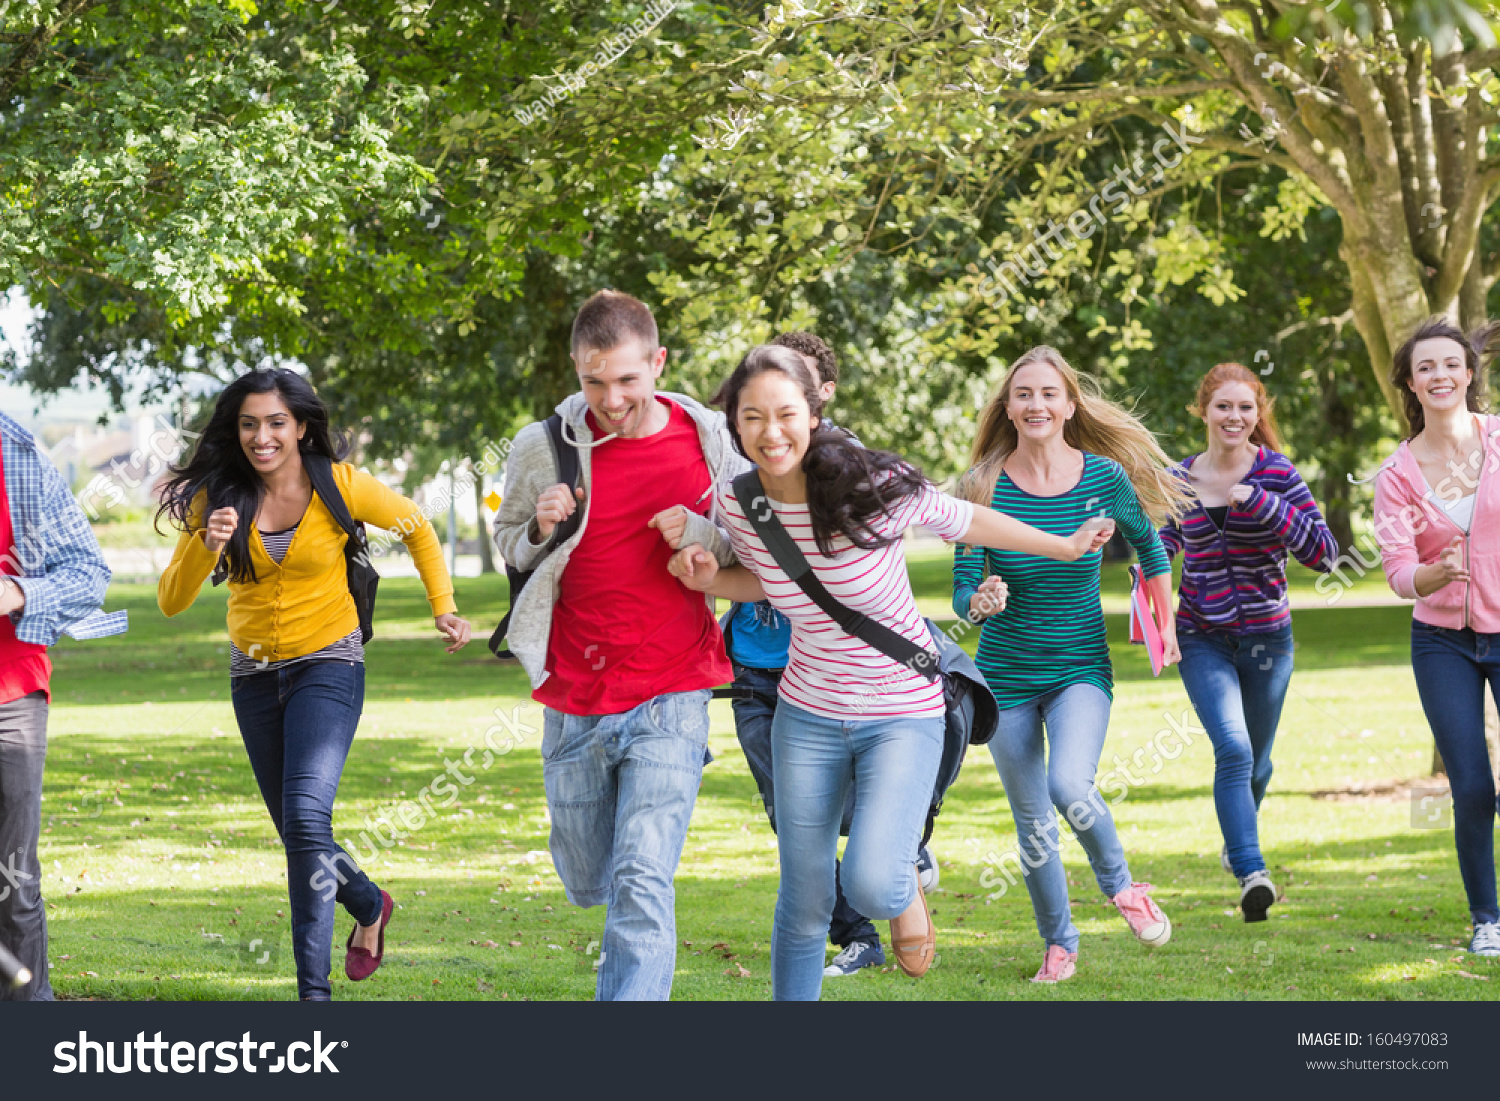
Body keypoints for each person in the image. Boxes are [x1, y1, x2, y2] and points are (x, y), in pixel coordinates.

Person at [669, 344, 1112, 1001]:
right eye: (752, 416)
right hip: (806, 715)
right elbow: (771, 582)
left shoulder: (872, 485)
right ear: (733, 421)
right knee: (805, 891)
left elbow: (968, 518)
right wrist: (712, 576)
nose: (770, 432)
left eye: (785, 413)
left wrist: (1066, 544)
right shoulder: (741, 505)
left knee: (871, 883)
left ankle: (901, 883)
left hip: (901, 710)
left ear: (815, 412)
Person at [157, 368, 471, 1001]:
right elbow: (170, 600)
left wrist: (444, 605)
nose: (261, 436)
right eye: (249, 424)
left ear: (300, 426)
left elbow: (415, 525)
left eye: (276, 422)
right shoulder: (215, 498)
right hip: (252, 678)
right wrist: (204, 544)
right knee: (301, 834)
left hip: (329, 662)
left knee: (304, 818)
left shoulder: (340, 485)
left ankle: (313, 998)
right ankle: (367, 902)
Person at [492, 289, 742, 1001]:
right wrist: (539, 527)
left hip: (674, 687)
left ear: (658, 362)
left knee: (643, 874)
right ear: (575, 370)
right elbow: (511, 541)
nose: (612, 397)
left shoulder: (709, 437)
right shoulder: (541, 445)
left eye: (628, 379)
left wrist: (698, 535)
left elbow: (746, 541)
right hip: (573, 693)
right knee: (588, 877)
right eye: (593, 380)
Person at [953, 345, 1190, 984]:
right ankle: (1060, 945)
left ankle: (1124, 889)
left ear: (1069, 404)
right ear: (1008, 407)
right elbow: (964, 585)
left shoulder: (1104, 478)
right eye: (1023, 394)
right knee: (1033, 823)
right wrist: (980, 600)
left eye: (1048, 394)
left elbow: (1151, 548)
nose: (1035, 405)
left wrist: (1164, 621)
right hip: (1002, 680)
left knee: (1069, 787)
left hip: (1080, 668)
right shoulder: (982, 484)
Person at [715, 330, 933, 979]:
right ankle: (853, 931)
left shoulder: (850, 466)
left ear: (821, 395)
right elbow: (735, 547)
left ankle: (895, 874)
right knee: (793, 824)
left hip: (852, 674)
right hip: (759, 664)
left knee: (867, 815)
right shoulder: (744, 461)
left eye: (794, 388)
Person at [1159, 363, 1336, 922]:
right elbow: (1158, 550)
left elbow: (1325, 555)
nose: (1234, 417)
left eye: (1245, 408)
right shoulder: (1177, 480)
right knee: (1232, 749)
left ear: (1258, 414)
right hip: (1201, 634)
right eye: (1222, 407)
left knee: (1256, 765)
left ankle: (1237, 833)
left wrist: (1262, 504)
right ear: (1202, 412)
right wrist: (1150, 583)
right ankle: (1252, 871)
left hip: (1268, 641)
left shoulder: (1278, 474)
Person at [1373, 318, 1500, 957]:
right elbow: (1398, 573)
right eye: (1426, 368)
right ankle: (1488, 919)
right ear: (1410, 383)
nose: (1440, 375)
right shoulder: (1397, 473)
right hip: (1442, 641)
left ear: (1469, 374)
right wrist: (1433, 572)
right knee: (1472, 787)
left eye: (1451, 364)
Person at [0, 412, 127, 1001]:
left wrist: (21, 591)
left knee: (12, 880)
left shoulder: (19, 462)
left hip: (12, 694)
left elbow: (87, 572)